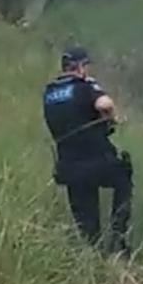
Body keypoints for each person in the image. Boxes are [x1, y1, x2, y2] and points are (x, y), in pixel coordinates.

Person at [42, 47, 133, 256]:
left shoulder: (49, 93)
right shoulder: (85, 86)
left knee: (88, 231)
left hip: (69, 168)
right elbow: (104, 104)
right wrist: (112, 118)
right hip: (98, 162)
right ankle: (118, 238)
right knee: (124, 175)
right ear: (80, 66)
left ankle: (95, 261)